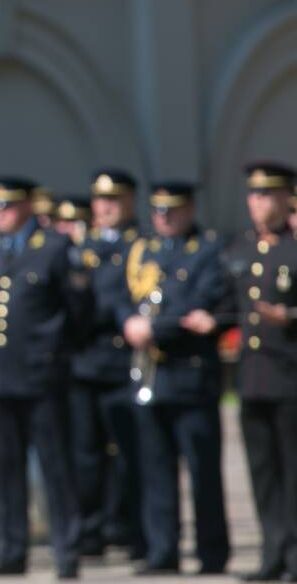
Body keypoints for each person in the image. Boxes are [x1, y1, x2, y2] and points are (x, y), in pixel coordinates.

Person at [0, 177, 89, 580]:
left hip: (42, 375)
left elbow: (78, 309)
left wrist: (54, 352)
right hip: (1, 376)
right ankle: (11, 549)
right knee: (5, 469)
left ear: (25, 207)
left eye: (6, 206)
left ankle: (66, 550)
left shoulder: (54, 247)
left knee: (56, 466)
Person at [191, 163, 297, 581]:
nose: (258, 204)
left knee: (293, 472)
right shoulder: (240, 249)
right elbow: (231, 305)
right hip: (252, 379)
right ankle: (272, 552)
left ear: (288, 198)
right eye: (253, 196)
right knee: (263, 472)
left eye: (267, 196)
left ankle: (294, 557)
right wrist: (212, 320)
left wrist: (288, 316)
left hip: (290, 378)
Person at [121, 182, 229, 575]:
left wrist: (156, 328)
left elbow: (200, 301)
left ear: (189, 210)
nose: (164, 218)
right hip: (153, 376)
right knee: (156, 471)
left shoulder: (207, 250)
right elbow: (119, 293)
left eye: (172, 211)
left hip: (191, 377)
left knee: (202, 472)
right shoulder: (143, 251)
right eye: (158, 211)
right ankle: (162, 550)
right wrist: (127, 321)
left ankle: (211, 553)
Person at [68, 170, 145, 560]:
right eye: (99, 201)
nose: (105, 207)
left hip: (122, 361)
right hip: (85, 362)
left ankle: (132, 528)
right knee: (86, 453)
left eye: (113, 200)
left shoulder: (140, 246)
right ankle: (91, 529)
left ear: (130, 202)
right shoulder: (83, 247)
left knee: (131, 453)